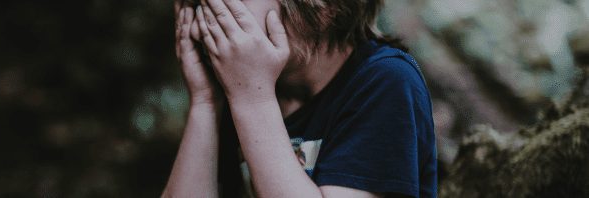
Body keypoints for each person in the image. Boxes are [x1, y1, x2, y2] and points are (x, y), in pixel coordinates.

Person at [162, 0, 436, 197]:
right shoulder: (238, 82)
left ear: (324, 7)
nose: (209, 17)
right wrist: (205, 102)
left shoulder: (385, 81)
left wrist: (253, 99)